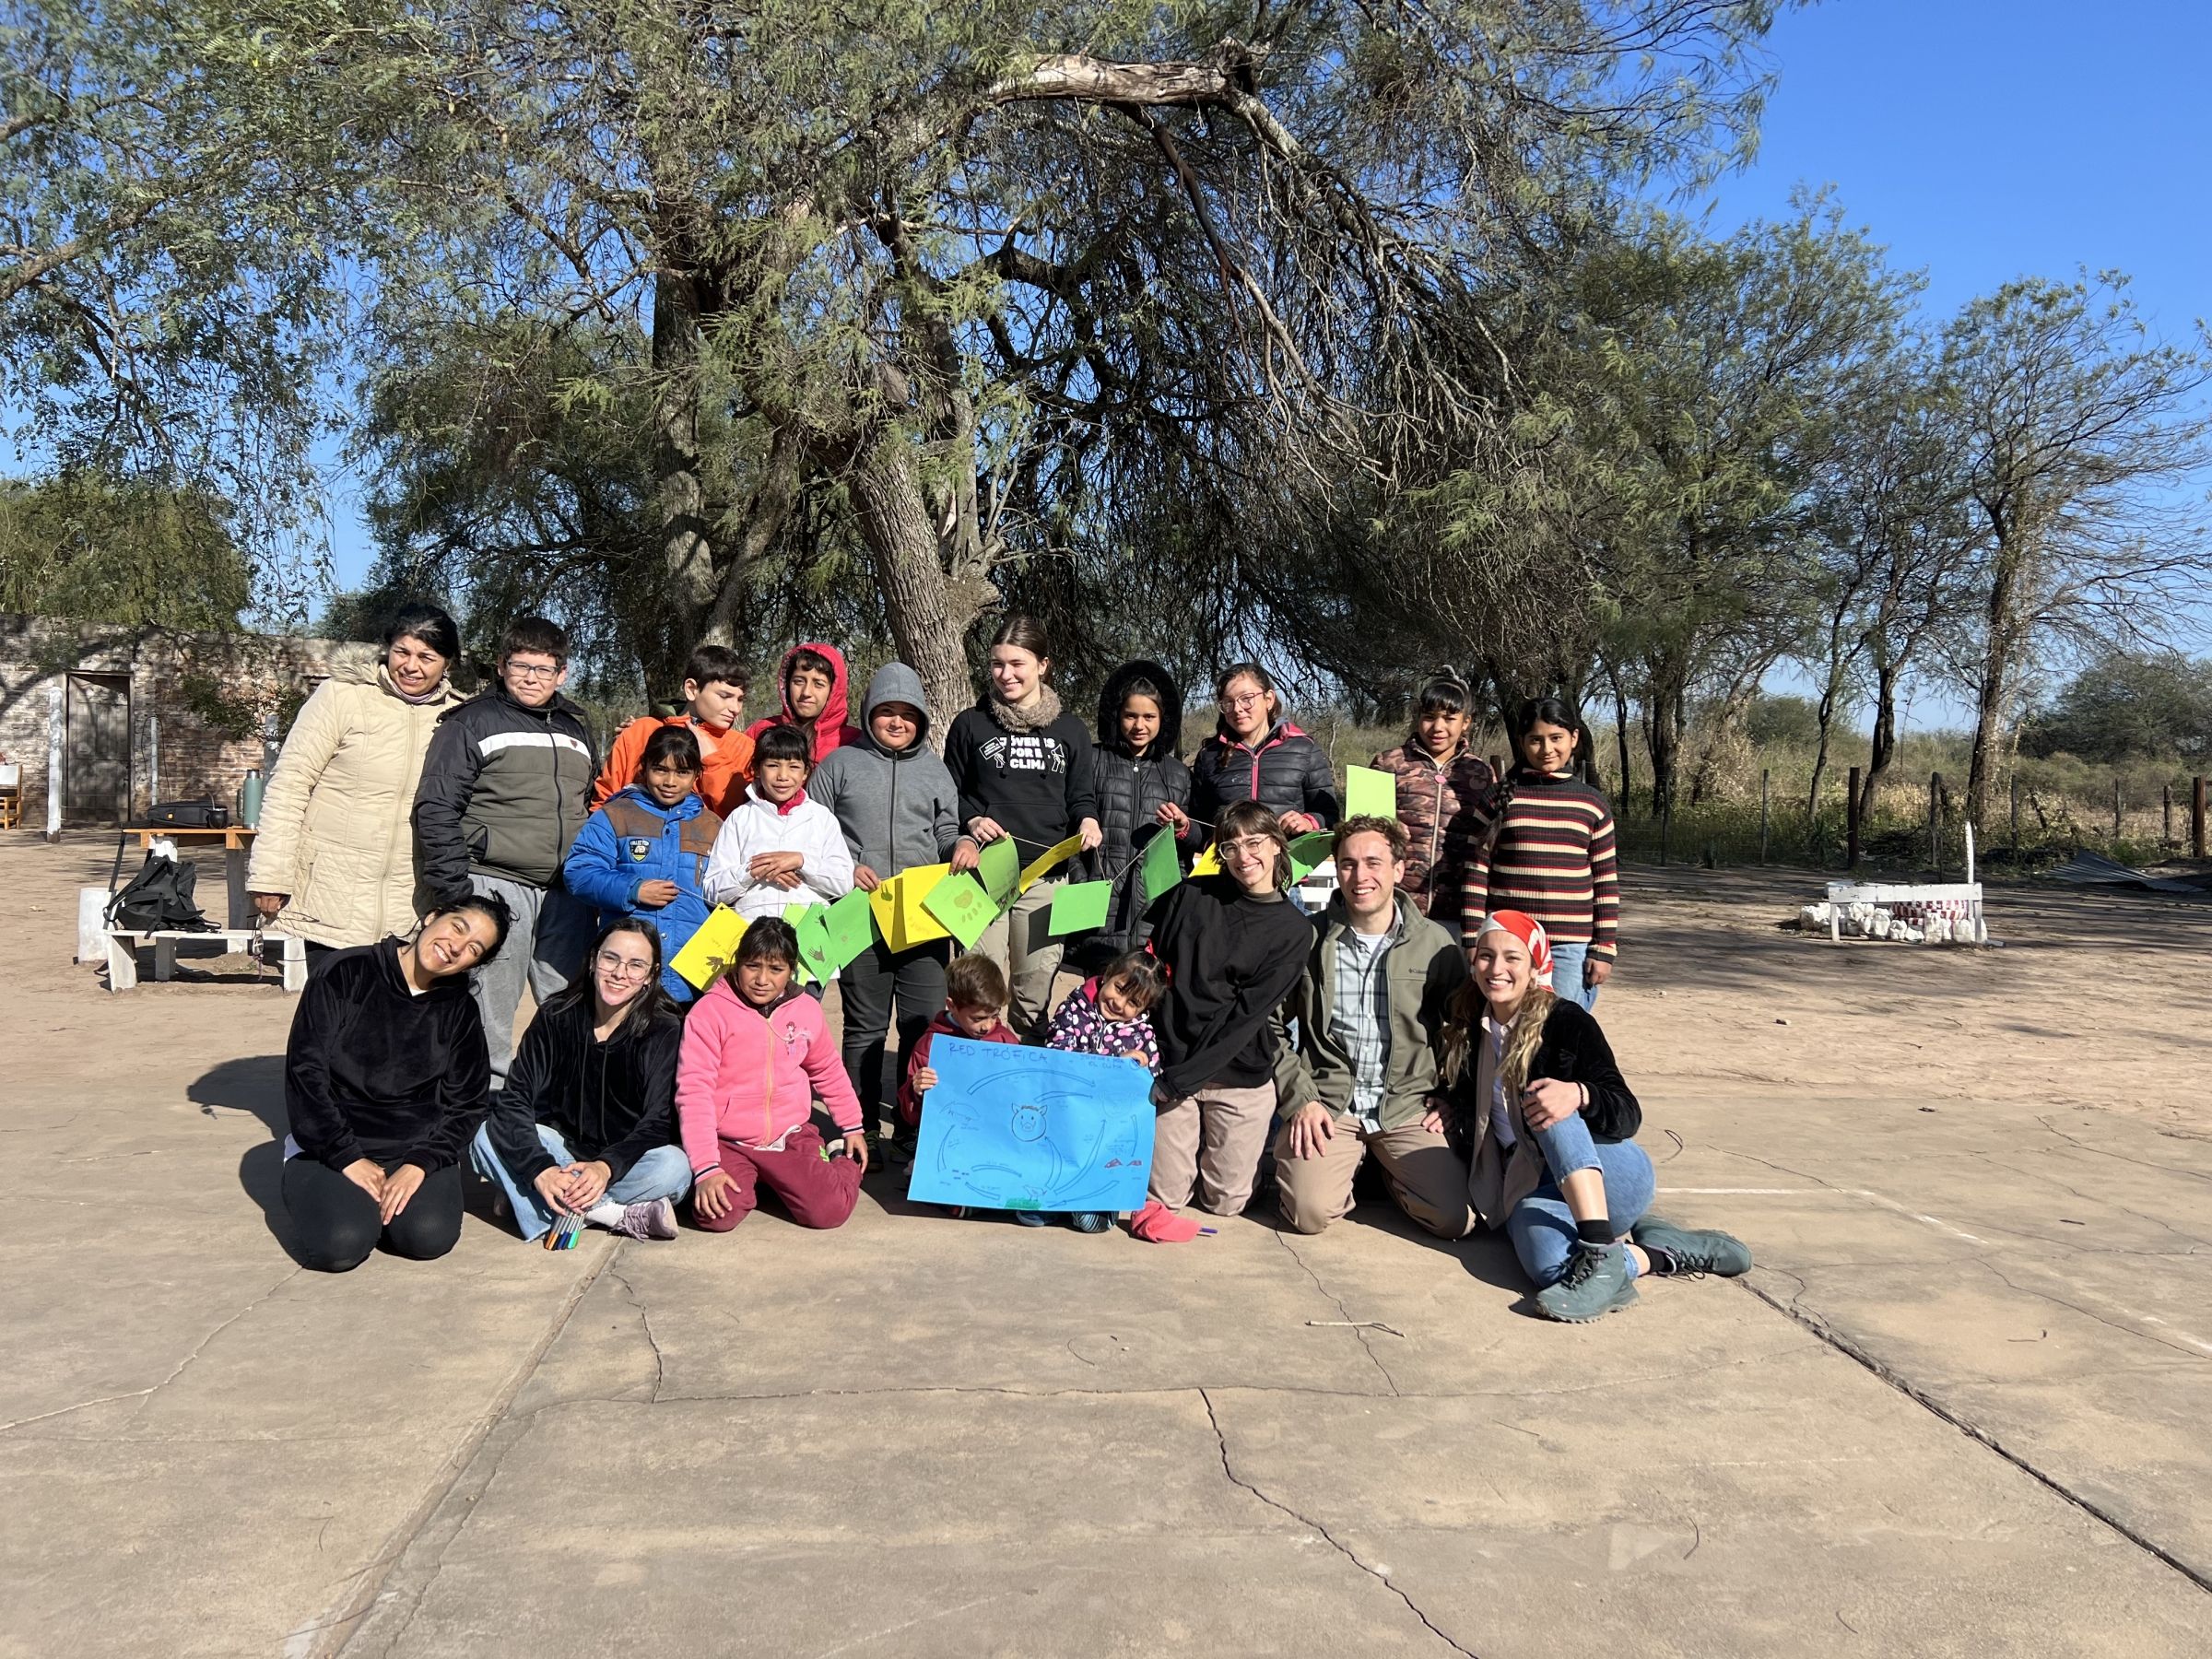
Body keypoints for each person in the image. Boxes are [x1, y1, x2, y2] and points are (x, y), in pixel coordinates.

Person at [1442, 911, 1749, 1322]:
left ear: (1535, 967)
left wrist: (1580, 1093)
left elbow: (1627, 1115)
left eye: (1512, 958)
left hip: (1608, 1173)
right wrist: (1445, 1106)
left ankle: (1599, 1245)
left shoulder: (1567, 1022)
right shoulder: (1467, 1026)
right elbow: (1470, 1109)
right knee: (1548, 1270)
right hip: (1533, 1182)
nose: (1496, 969)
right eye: (1485, 956)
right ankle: (1655, 1253)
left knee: (1549, 1103)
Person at [412, 616, 598, 1088]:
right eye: (521, 666)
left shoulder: (578, 727)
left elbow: (588, 803)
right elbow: (435, 808)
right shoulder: (470, 723)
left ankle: (558, 1103)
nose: (532, 678)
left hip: (566, 896)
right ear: (501, 665)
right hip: (494, 886)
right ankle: (482, 1112)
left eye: (544, 669)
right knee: (488, 1010)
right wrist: (456, 893)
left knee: (569, 1004)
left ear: (563, 673)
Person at [278, 894, 509, 1272]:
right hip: (334, 1145)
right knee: (341, 1246)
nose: (455, 948)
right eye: (457, 927)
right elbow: (306, 1073)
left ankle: (379, 1209)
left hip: (412, 1147)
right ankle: (343, 1203)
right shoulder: (345, 971)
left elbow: (467, 1102)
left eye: (473, 949)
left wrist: (421, 1163)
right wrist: (347, 1157)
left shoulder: (460, 1009)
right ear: (433, 916)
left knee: (426, 1237)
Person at [1272, 817, 1473, 1239]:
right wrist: (1299, 1097)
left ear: (1398, 869)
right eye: (1347, 864)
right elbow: (1269, 1023)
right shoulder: (1308, 939)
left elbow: (1463, 1031)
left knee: (1454, 1219)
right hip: (1329, 1105)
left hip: (1406, 1107)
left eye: (1373, 862)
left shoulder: (1436, 944)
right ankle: (1341, 1167)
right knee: (1307, 1215)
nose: (1360, 876)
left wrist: (1454, 1097)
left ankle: (1382, 1170)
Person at [806, 662, 978, 1156]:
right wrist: (849, 866)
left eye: (908, 714)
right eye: (886, 712)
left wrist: (962, 844)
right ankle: (860, 1129)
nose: (897, 722)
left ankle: (912, 1126)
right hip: (862, 913)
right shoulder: (840, 763)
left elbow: (946, 830)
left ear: (922, 719)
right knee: (865, 1025)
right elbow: (817, 831)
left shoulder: (935, 769)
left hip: (924, 915)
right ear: (869, 713)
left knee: (922, 1024)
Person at [1133, 801, 1315, 1240]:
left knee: (1224, 1203)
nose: (1243, 856)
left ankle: (1244, 1172)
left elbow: (1244, 1019)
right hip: (1173, 1062)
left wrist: (1180, 1080)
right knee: (1167, 1198)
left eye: (1254, 843)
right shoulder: (1191, 896)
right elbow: (1150, 969)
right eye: (1229, 847)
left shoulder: (1294, 930)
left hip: (1236, 1073)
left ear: (1276, 846)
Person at [247, 603, 467, 955]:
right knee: (335, 1008)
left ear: (447, 663)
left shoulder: (457, 716)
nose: (411, 666)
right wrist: (270, 875)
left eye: (426, 657)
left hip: (410, 904)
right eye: (402, 652)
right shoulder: (340, 696)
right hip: (332, 892)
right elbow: (290, 784)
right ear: (387, 649)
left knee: (398, 1009)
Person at [470, 918, 693, 1243]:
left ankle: (531, 1197)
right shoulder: (556, 1015)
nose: (620, 973)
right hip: (559, 1149)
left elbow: (658, 1122)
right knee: (484, 1137)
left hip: (624, 1161)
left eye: (636, 965)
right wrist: (540, 1169)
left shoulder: (664, 1029)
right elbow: (515, 1098)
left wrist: (605, 1167)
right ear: (593, 960)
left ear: (651, 975)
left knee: (674, 1167)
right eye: (611, 958)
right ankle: (614, 1214)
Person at [940, 614, 1101, 1036]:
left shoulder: (1070, 730)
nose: (1005, 674)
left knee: (1032, 998)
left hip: (1046, 880)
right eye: (997, 664)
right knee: (978, 993)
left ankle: (1024, 1086)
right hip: (983, 880)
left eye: (1017, 664)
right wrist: (971, 820)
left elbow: (1081, 796)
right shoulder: (970, 724)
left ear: (1042, 666)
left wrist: (1087, 820)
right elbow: (947, 793)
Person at [678, 919, 869, 1232]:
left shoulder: (806, 1009)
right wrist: (705, 1167)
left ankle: (834, 1159)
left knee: (828, 1212)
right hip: (729, 1140)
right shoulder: (709, 1012)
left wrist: (852, 1127)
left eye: (775, 969)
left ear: (792, 971)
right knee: (715, 1216)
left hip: (788, 1135)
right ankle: (762, 1181)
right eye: (752, 966)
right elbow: (694, 1091)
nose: (762, 979)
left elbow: (828, 1070)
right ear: (738, 963)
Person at [1463, 697, 1618, 1012]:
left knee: (1558, 1032)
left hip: (1569, 947)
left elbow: (1605, 881)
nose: (1546, 749)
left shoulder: (1592, 804)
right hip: (1508, 942)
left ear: (1574, 739)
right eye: (1536, 740)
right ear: (1521, 742)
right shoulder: (1498, 799)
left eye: (1556, 738)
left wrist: (1603, 948)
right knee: (1504, 1027)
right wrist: (1472, 936)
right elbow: (1476, 871)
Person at [563, 726, 722, 1005]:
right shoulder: (615, 816)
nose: (670, 781)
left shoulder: (713, 826)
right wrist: (633, 889)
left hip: (692, 980)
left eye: (682, 772)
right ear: (644, 767)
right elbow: (579, 873)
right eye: (660, 769)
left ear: (697, 775)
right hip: (627, 975)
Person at [1074, 659, 1194, 972]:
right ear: (1118, 716)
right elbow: (1073, 824)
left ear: (1162, 720)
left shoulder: (1178, 774)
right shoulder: (1092, 759)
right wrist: (1082, 882)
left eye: (1149, 717)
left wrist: (1182, 827)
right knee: (1098, 999)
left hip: (1152, 911)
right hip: (1098, 907)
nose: (1139, 725)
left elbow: (1189, 846)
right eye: (1131, 715)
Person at [1041, 951, 1168, 1233]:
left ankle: (1093, 1202)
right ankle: (1051, 1200)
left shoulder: (1143, 1035)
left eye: (1133, 1002)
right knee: (1034, 1211)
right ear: (1108, 975)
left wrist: (1139, 1070)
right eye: (1119, 989)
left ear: (1144, 1008)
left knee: (1092, 1224)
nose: (1118, 1003)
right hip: (1065, 1119)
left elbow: (1149, 1089)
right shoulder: (1073, 1009)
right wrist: (1112, 1066)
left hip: (1105, 1135)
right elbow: (1056, 1057)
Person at [1367, 667, 1497, 934]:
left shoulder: (1481, 774)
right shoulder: (1388, 763)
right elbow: (1361, 831)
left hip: (1458, 912)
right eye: (1429, 717)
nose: (1438, 727)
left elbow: (1490, 840)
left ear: (1466, 723)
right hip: (1394, 908)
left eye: (1449, 718)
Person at [700, 724, 854, 923]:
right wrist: (755, 869)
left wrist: (801, 861)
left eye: (794, 767)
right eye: (773, 765)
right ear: (756, 769)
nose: (783, 776)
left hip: (808, 939)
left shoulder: (821, 818)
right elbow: (712, 892)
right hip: (753, 938)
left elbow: (844, 883)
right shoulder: (740, 818)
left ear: (806, 772)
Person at [590, 643, 755, 818]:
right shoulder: (641, 732)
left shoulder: (744, 747)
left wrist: (713, 762)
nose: (735, 708)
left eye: (740, 699)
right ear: (691, 689)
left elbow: (741, 817)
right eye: (725, 696)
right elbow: (605, 800)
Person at [1187, 663, 1338, 839]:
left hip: (1286, 863)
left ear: (1269, 699)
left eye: (1246, 698)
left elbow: (1331, 817)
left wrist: (1310, 822)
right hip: (1230, 863)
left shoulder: (1304, 749)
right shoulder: (1209, 756)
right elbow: (1200, 824)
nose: (1237, 709)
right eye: (1228, 702)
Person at [898, 952, 1020, 1133]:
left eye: (994, 1016)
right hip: (947, 1135)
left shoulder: (1005, 1043)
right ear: (952, 1005)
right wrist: (915, 1092)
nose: (987, 1026)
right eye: (977, 1018)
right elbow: (910, 1116)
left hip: (995, 1137)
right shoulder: (930, 1046)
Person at [745, 641, 864, 762]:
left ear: (834, 690)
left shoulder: (853, 742)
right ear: (786, 685)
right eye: (799, 681)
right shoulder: (761, 732)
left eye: (818, 684)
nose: (806, 692)